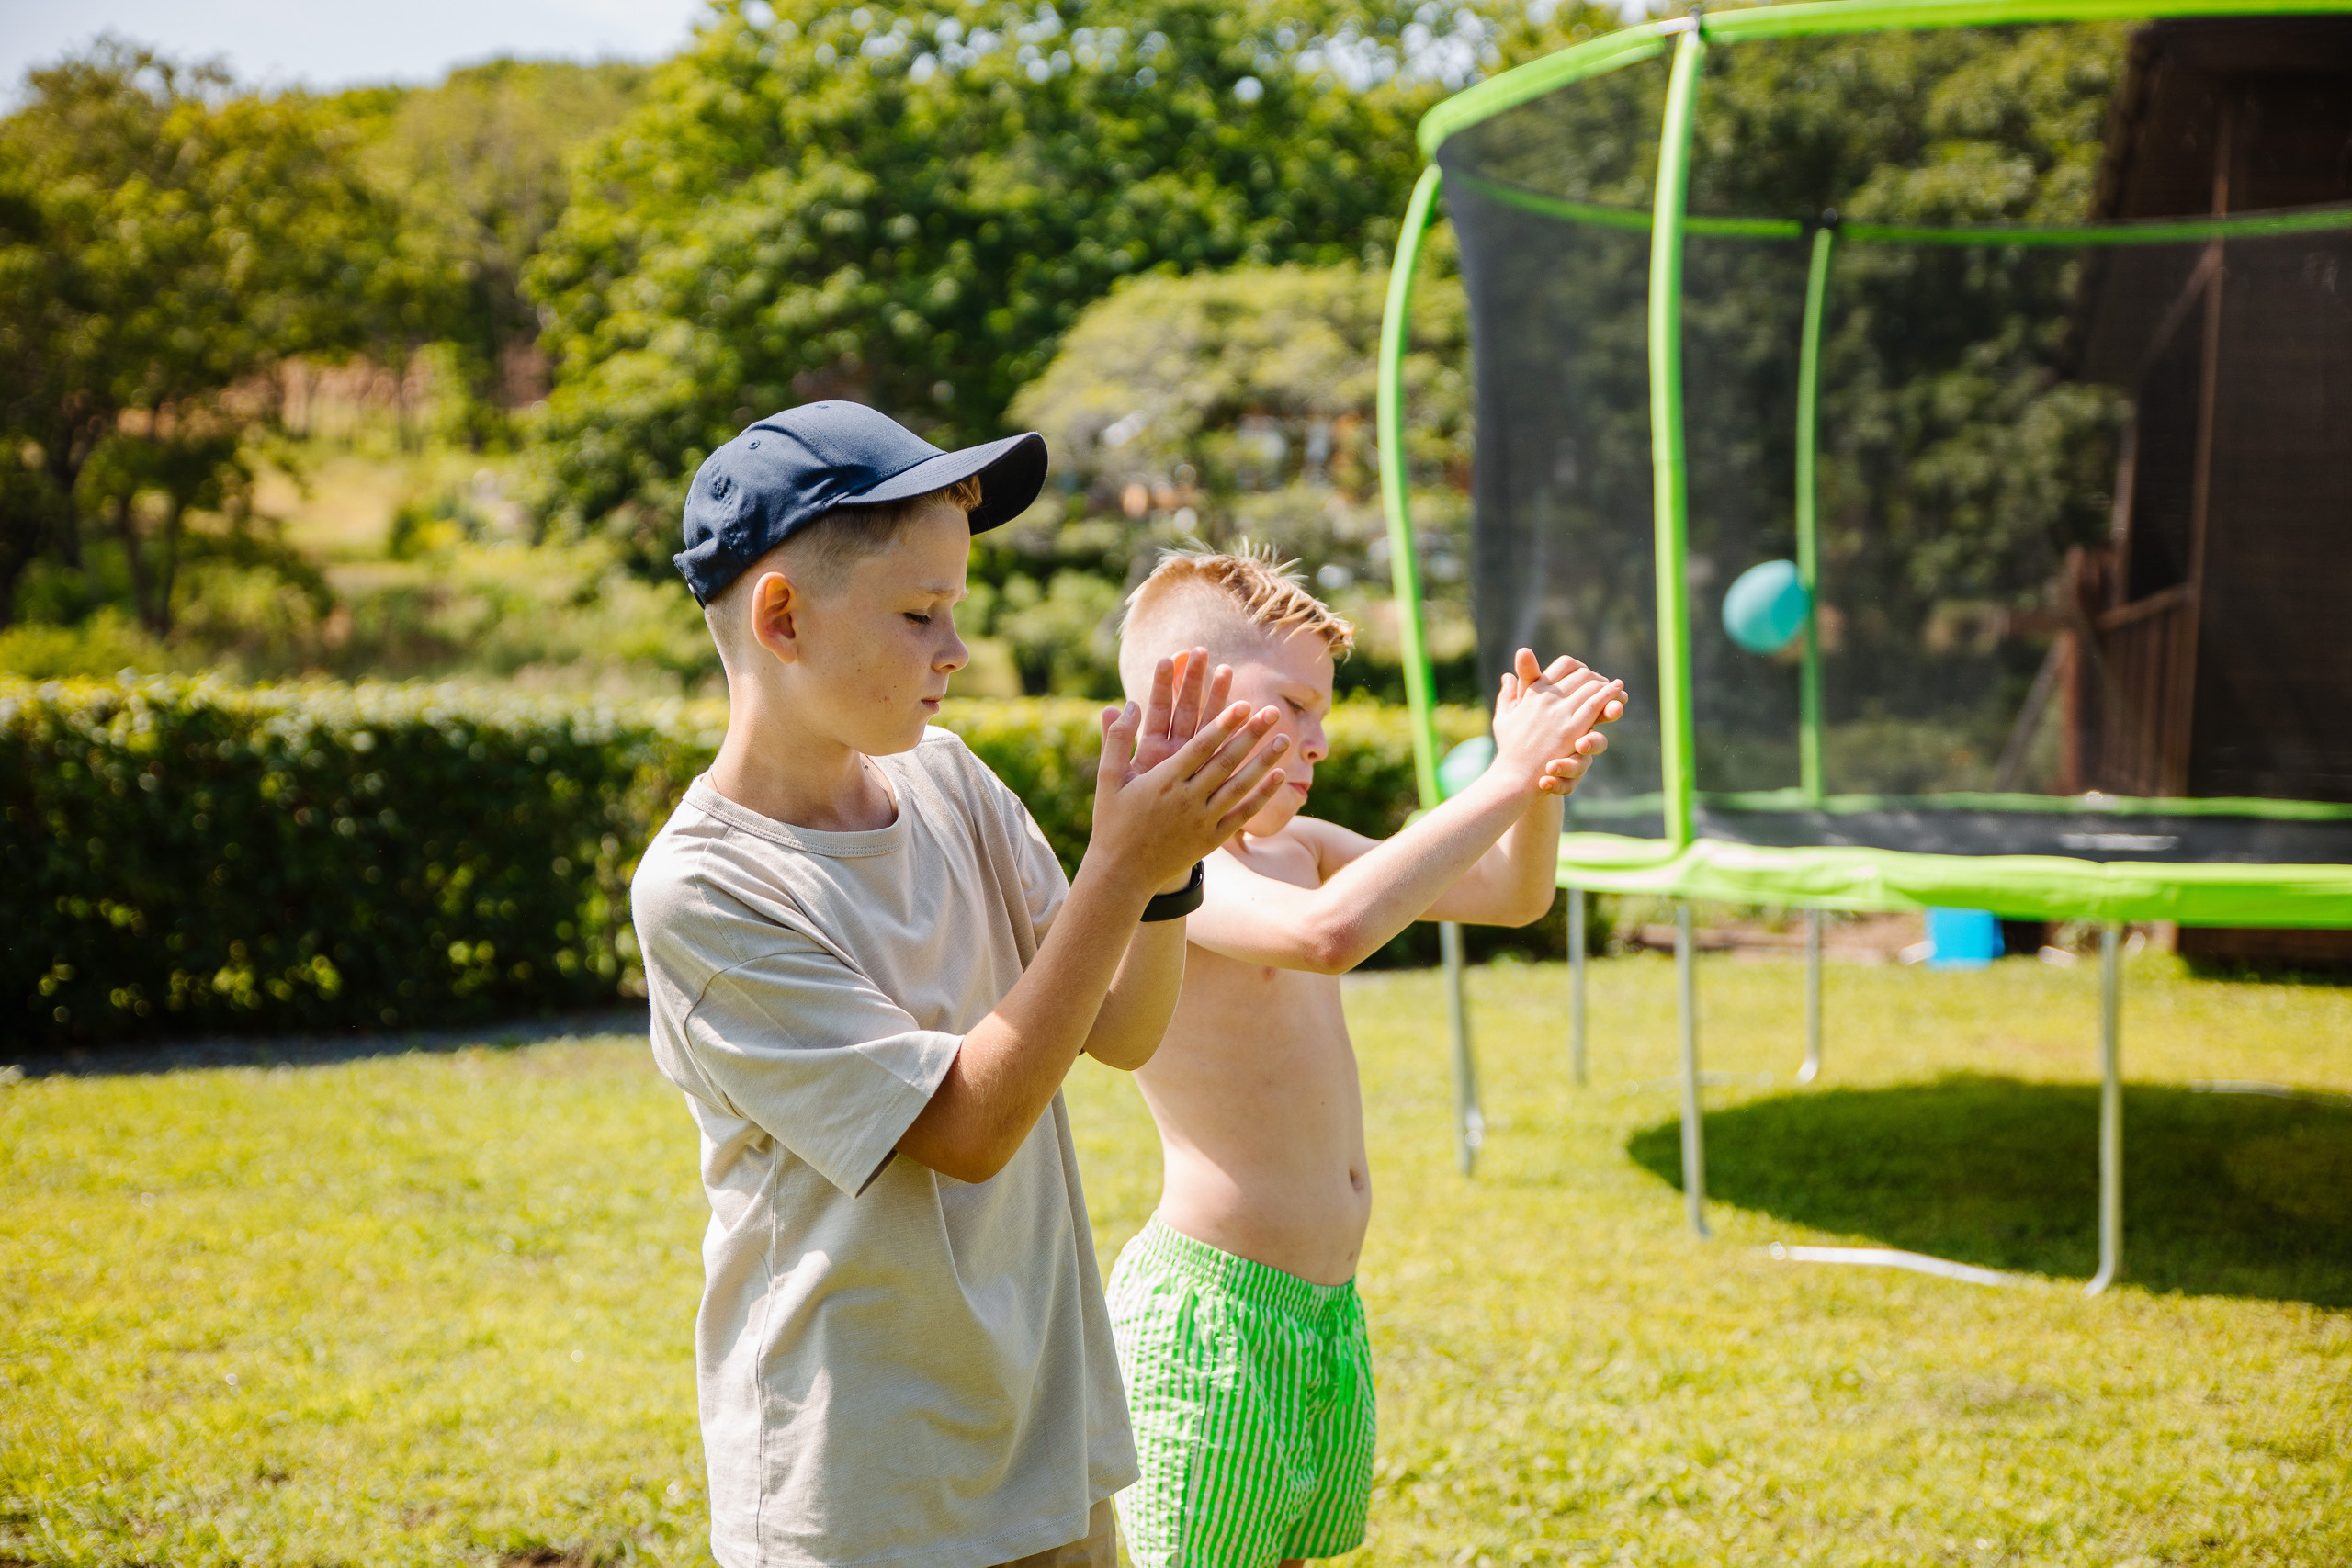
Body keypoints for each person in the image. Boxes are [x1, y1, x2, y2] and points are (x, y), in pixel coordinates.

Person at [629, 403, 1297, 1568]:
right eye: (916, 614)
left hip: (1047, 1441)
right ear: (781, 617)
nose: (954, 649)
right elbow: (971, 1125)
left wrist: (1170, 870)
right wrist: (1119, 862)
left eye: (957, 611)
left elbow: (1124, 1031)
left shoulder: (947, 778)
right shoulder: (708, 888)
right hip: (867, 1486)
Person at [1105, 547, 1623, 1567]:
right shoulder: (1174, 862)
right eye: (1293, 703)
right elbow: (1326, 935)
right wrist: (1503, 773)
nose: (1320, 738)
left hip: (1323, 1312)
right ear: (1191, 691)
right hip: (1213, 1319)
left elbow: (1513, 898)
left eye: (1324, 711)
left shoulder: (1299, 847)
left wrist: (1541, 787)